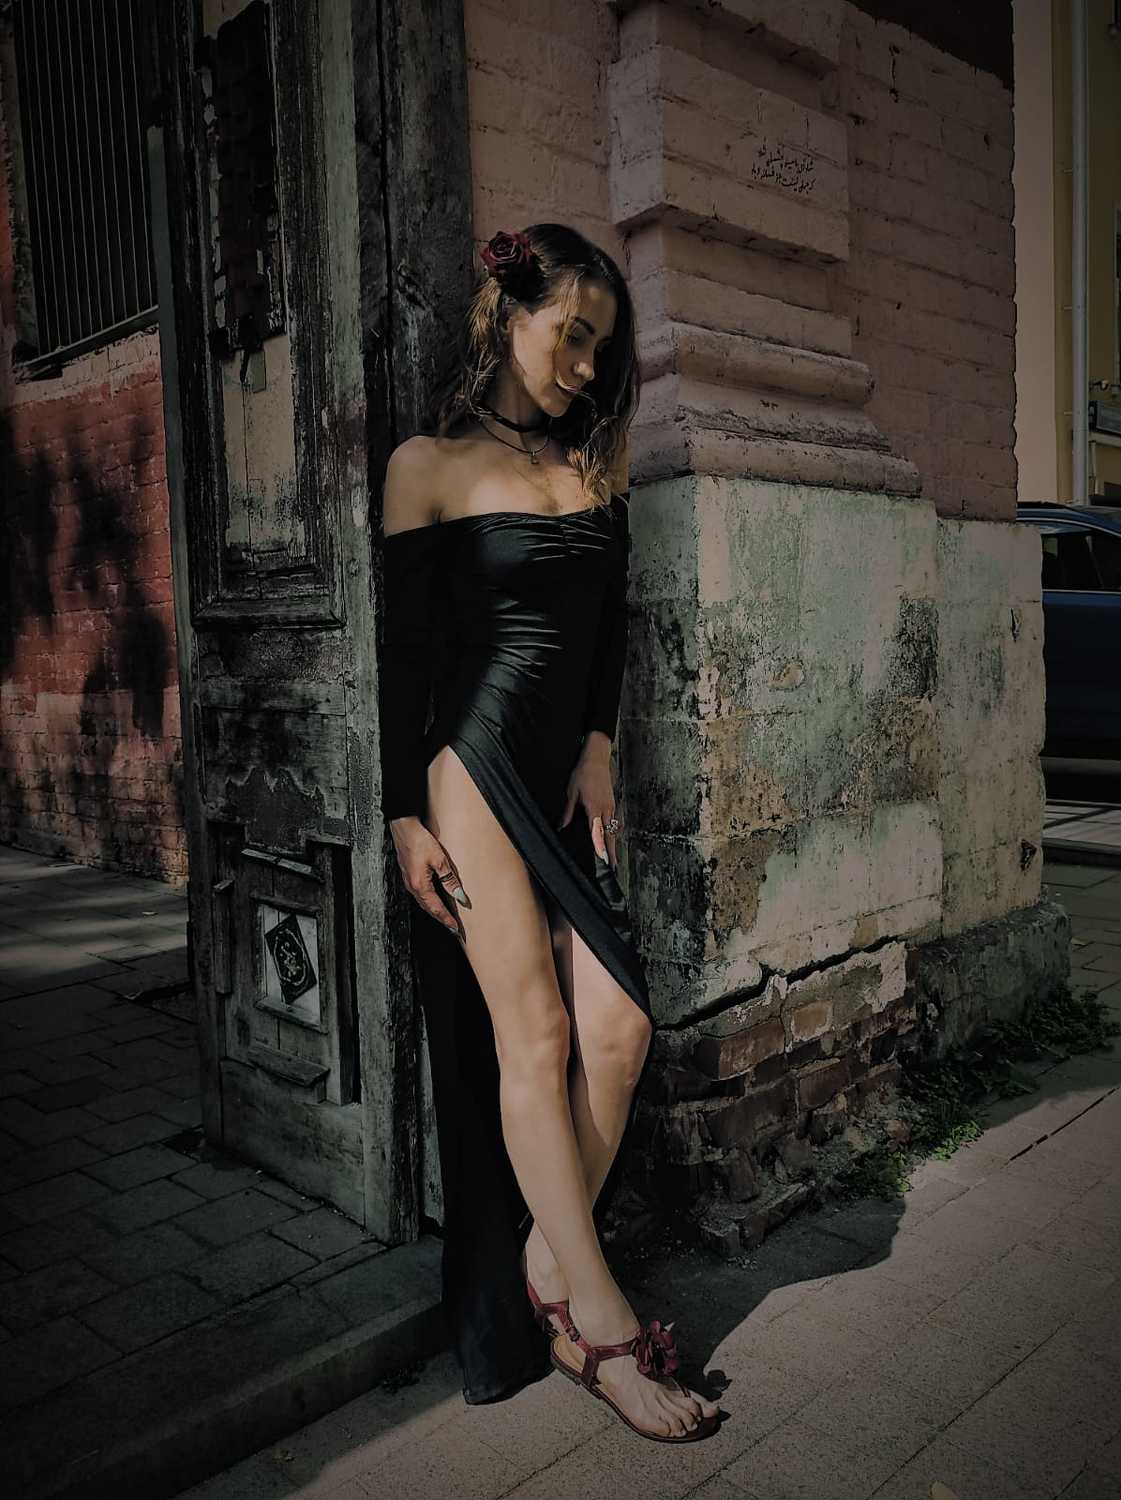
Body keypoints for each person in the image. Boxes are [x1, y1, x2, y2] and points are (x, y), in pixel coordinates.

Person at [378, 224, 722, 1443]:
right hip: (470, 764)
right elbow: (404, 659)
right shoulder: (425, 465)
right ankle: (602, 1328)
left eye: (598, 350)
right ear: (506, 315)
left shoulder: (596, 462)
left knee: (616, 1030)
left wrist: (598, 743)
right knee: (531, 1033)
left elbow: (609, 622)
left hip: (559, 773)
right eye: (569, 336)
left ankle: (543, 1262)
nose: (583, 366)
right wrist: (401, 813)